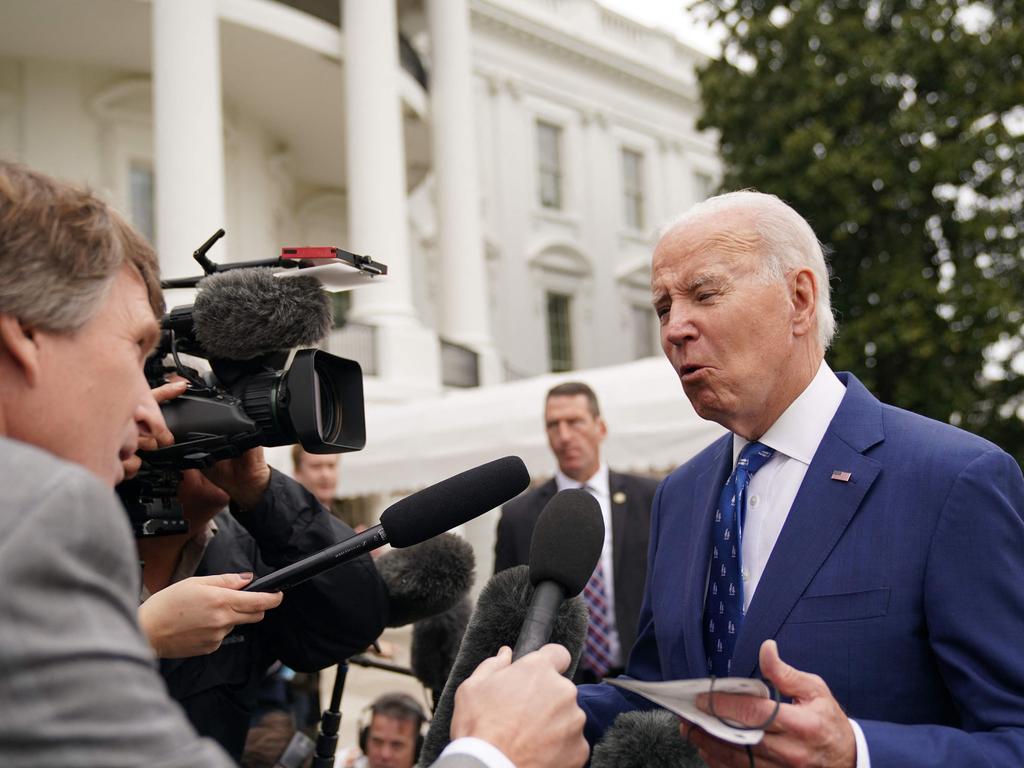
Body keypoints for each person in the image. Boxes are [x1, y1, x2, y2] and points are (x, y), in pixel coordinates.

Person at [0, 160, 586, 768]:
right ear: (26, 338)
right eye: (136, 351)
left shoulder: (237, 540)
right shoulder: (47, 524)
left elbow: (348, 623)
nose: (149, 414)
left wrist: (261, 494)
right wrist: (490, 754)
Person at [577, 190, 1024, 767]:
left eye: (704, 294)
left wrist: (857, 753)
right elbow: (662, 695)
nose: (674, 329)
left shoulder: (954, 481)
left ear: (800, 299)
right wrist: (539, 706)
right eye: (663, 308)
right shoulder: (680, 497)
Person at [494, 381, 659, 683]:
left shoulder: (649, 499)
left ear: (601, 428)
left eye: (575, 422)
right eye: (553, 425)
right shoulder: (519, 516)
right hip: (557, 681)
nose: (565, 436)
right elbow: (506, 612)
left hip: (642, 677)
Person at [345, 693, 428, 768]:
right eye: (377, 742)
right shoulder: (342, 762)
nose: (385, 754)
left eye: (397, 745)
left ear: (418, 748)